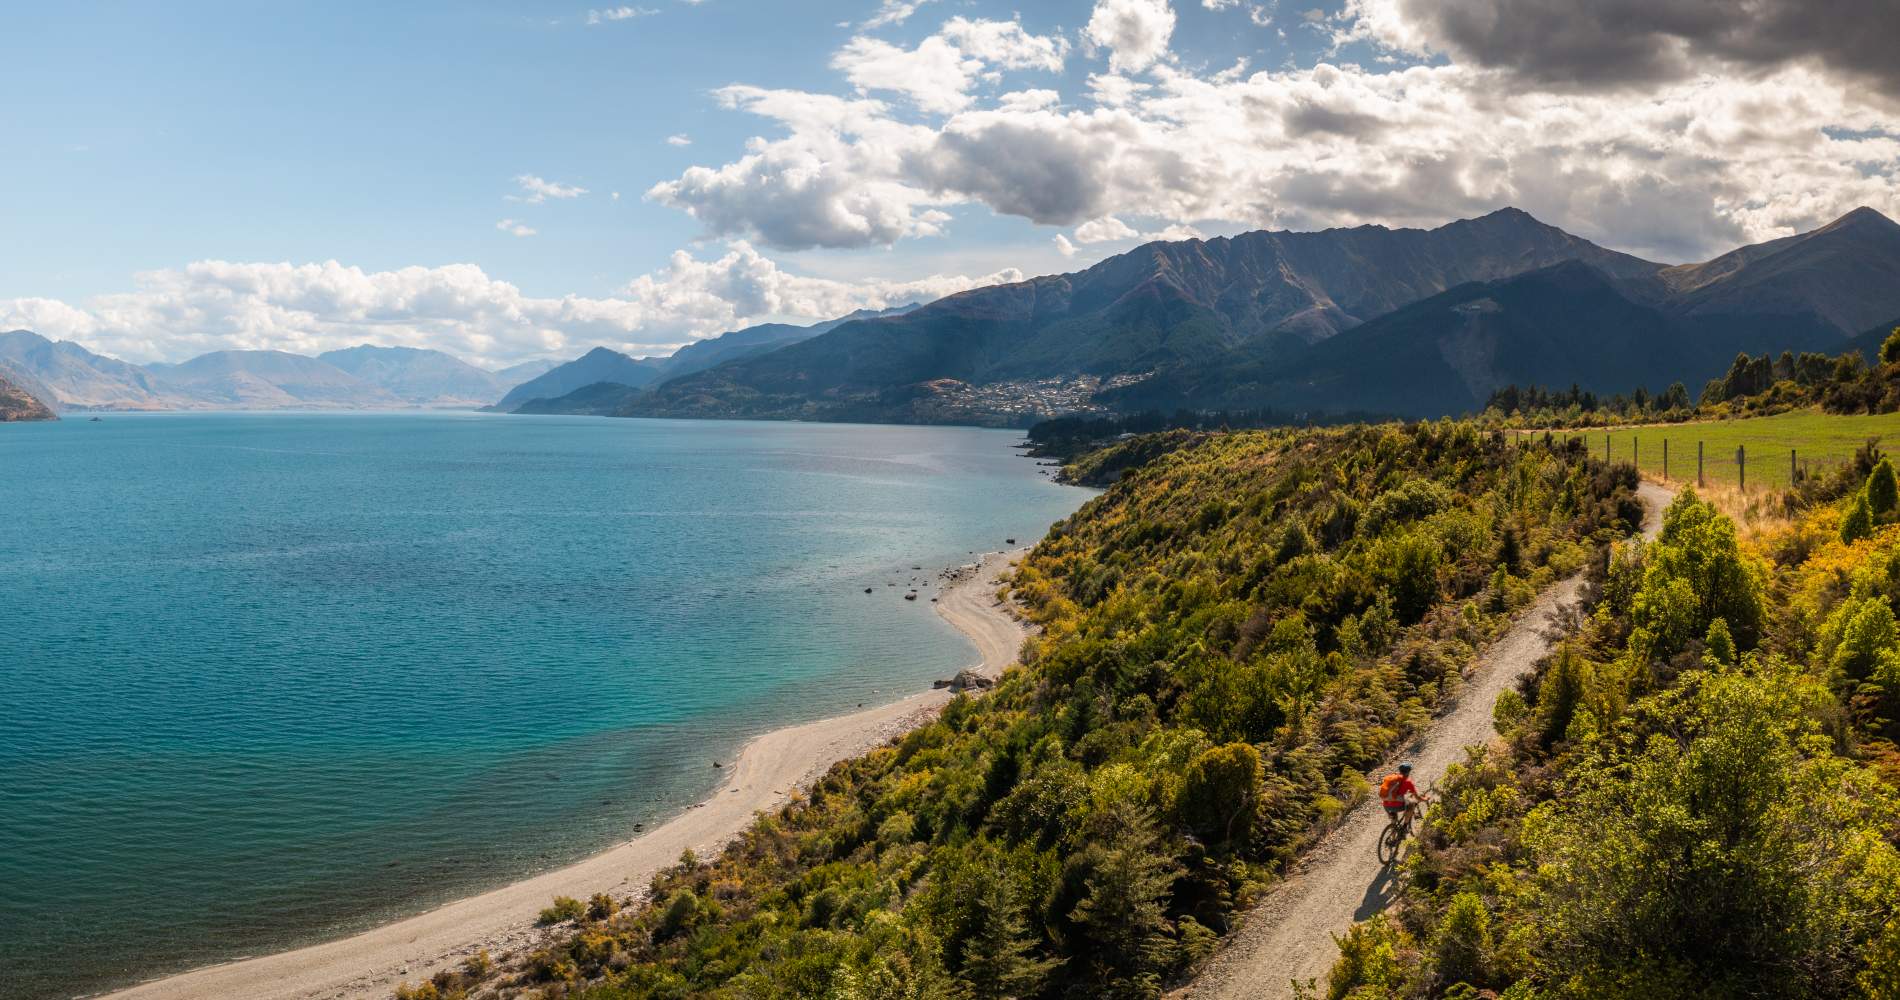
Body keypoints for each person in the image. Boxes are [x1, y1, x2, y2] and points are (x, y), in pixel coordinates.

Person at [1378, 762, 1429, 828]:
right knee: (1412, 803)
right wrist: (1425, 799)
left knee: (1394, 820)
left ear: (1400, 771)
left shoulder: (1392, 778)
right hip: (1398, 806)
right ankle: (1405, 825)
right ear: (1408, 772)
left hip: (1386, 805)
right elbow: (1418, 797)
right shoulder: (1408, 782)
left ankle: (1393, 829)